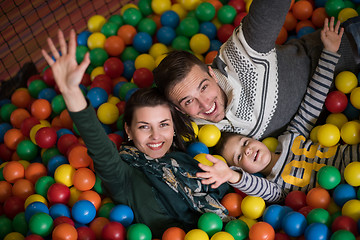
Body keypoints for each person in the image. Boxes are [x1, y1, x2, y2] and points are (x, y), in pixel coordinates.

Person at [41, 29, 231, 238]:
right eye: (144, 126)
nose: (156, 135)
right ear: (129, 131)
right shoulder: (125, 177)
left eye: (163, 124)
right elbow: (99, 146)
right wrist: (71, 92)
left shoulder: (185, 159)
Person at [195, 17, 359, 203]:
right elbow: (263, 190)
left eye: (244, 142)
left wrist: (330, 53)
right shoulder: (277, 186)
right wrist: (232, 177)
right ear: (244, 171)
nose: (247, 151)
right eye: (239, 157)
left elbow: (313, 101)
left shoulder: (291, 138)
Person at [153, 0, 360, 140]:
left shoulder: (243, 56)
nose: (205, 104)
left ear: (211, 74)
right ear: (178, 110)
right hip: (337, 127)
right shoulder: (196, 132)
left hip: (347, 51)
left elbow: (268, 8)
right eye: (188, 101)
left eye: (204, 87)